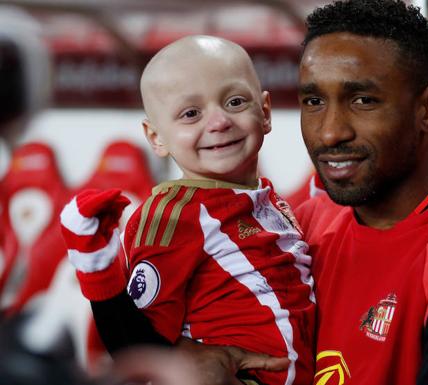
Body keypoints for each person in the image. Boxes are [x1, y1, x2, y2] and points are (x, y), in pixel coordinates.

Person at [74, 1, 428, 384]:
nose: (329, 133)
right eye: (313, 101)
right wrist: (193, 361)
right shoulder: (300, 226)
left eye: (363, 100)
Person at [59, 35, 315, 385]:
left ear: (265, 112)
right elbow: (138, 350)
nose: (218, 121)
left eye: (235, 101)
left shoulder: (265, 196)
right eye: (191, 113)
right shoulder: (173, 215)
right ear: (156, 138)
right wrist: (97, 269)